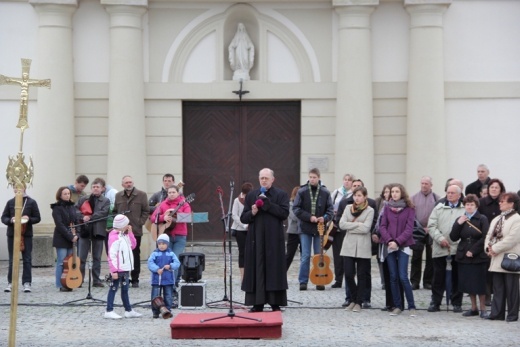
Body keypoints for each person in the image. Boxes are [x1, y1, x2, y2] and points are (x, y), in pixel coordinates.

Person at [240, 168, 289, 312]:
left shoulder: (281, 194)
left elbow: (284, 213)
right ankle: (257, 303)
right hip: (256, 239)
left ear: (272, 179)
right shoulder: (252, 195)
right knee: (257, 268)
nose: (264, 180)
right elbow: (244, 217)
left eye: (266, 178)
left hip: (274, 239)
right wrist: (252, 212)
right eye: (261, 178)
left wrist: (268, 205)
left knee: (273, 269)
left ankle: (275, 302)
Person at [336, 179, 378, 308]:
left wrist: (352, 226)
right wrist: (358, 224)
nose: (357, 198)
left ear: (365, 197)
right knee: (348, 274)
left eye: (359, 195)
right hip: (348, 245)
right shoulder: (348, 208)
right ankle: (353, 299)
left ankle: (359, 301)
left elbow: (366, 228)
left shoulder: (369, 210)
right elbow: (342, 224)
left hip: (363, 245)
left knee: (361, 275)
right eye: (355, 195)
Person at [378, 184, 417, 316]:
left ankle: (411, 306)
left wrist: (397, 241)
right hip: (389, 245)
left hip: (403, 245)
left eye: (397, 191)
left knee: (403, 276)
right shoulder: (387, 207)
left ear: (402, 193)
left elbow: (409, 228)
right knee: (393, 277)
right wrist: (389, 241)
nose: (394, 194)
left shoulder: (409, 208)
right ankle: (398, 305)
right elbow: (382, 226)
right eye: (392, 192)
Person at [293, 168, 334, 291]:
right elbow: (296, 209)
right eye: (310, 177)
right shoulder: (302, 191)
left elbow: (330, 211)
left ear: (319, 178)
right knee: (305, 255)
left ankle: (319, 280)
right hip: (305, 228)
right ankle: (303, 281)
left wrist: (325, 218)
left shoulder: (325, 192)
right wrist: (309, 217)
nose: (312, 179)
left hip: (319, 229)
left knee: (319, 255)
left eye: (314, 177)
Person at [449, 194, 490, 318]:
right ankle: (473, 308)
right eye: (467, 204)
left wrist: (474, 250)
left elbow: (485, 236)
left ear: (476, 206)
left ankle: (483, 308)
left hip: (478, 255)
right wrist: (458, 224)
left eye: (472, 204)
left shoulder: (482, 218)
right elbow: (453, 237)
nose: (469, 207)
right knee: (468, 282)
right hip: (463, 254)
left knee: (480, 283)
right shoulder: (461, 218)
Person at [427, 184, 465, 313]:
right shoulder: (439, 208)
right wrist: (440, 239)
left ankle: (456, 302)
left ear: (459, 195)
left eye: (452, 193)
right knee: (438, 276)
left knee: (457, 276)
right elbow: (431, 225)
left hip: (458, 247)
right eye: (448, 192)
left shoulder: (464, 209)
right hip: (440, 246)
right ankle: (435, 302)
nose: (449, 195)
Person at [484, 192, 520, 322]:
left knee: (512, 289)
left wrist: (495, 248)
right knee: (498, 289)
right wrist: (488, 248)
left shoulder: (517, 219)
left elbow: (512, 239)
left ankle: (512, 314)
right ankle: (496, 313)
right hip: (496, 258)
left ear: (511, 204)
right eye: (500, 201)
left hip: (510, 258)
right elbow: (489, 235)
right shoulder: (497, 218)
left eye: (503, 201)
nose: (500, 203)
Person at [113, 175, 150, 288]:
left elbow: (146, 211)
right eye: (126, 182)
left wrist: (140, 222)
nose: (129, 184)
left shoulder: (141, 195)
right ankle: (123, 277)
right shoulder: (118, 196)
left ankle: (135, 278)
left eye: (130, 182)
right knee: (121, 254)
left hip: (135, 230)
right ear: (122, 184)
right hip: (121, 231)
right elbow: (115, 211)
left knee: (135, 254)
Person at [2, 189, 41, 293]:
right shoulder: (10, 202)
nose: (17, 190)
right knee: (12, 260)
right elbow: (3, 217)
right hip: (12, 234)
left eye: (20, 188)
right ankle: (11, 282)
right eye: (16, 188)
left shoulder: (31, 202)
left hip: (26, 234)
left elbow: (37, 218)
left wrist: (28, 218)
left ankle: (27, 283)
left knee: (27, 259)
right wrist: (10, 220)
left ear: (24, 188)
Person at [104, 214, 142, 319]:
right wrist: (114, 270)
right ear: (121, 225)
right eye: (126, 224)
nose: (128, 226)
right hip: (118, 269)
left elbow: (133, 245)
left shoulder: (124, 235)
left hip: (125, 268)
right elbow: (111, 255)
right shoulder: (114, 237)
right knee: (113, 288)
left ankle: (128, 310)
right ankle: (109, 310)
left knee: (125, 289)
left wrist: (130, 233)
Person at [75, 178, 110, 287]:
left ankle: (96, 280)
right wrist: (82, 217)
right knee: (81, 257)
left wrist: (90, 217)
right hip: (84, 231)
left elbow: (103, 213)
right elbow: (75, 210)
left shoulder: (106, 201)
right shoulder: (83, 199)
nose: (95, 189)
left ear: (102, 189)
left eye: (97, 187)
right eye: (94, 187)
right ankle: (79, 279)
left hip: (98, 231)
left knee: (97, 257)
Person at [478, 178, 506, 306]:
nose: (494, 189)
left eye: (496, 187)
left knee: (500, 269)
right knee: (486, 270)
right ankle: (487, 296)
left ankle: (499, 297)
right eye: (492, 187)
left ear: (501, 190)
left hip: (502, 240)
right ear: (488, 190)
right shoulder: (481, 202)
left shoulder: (505, 203)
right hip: (486, 240)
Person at [410, 176, 440, 290]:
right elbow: (411, 215)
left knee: (430, 257)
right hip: (417, 231)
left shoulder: (437, 198)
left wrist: (429, 227)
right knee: (416, 257)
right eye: (422, 183)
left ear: (431, 185)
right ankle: (414, 281)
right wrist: (420, 227)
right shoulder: (413, 198)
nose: (424, 185)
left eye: (426, 183)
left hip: (432, 231)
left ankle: (428, 281)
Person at [51, 187, 79, 292]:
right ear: (60, 195)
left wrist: (77, 234)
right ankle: (60, 283)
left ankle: (69, 282)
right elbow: (60, 225)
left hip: (72, 237)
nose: (67, 195)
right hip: (61, 238)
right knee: (61, 262)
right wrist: (71, 237)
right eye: (65, 194)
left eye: (68, 193)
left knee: (70, 262)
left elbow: (76, 221)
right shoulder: (57, 208)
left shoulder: (72, 207)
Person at [330, 173, 355, 288]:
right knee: (337, 254)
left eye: (349, 180)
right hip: (337, 227)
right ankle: (338, 279)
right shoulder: (336, 193)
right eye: (345, 179)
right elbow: (329, 206)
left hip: (348, 227)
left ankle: (350, 278)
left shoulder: (354, 194)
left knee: (349, 254)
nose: (346, 182)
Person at [147, 234, 180, 318]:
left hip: (168, 279)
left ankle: (167, 310)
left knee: (168, 296)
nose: (161, 246)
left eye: (163, 244)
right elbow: (150, 263)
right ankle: (155, 311)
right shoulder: (155, 253)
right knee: (155, 296)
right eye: (159, 244)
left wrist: (170, 266)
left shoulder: (171, 254)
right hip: (156, 279)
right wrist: (157, 269)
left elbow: (177, 263)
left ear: (167, 244)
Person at [231, 182, 253, 280]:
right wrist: (244, 225)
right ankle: (243, 276)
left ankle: (251, 274)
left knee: (252, 251)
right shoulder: (237, 200)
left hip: (251, 229)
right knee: (242, 252)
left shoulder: (253, 199)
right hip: (240, 229)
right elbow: (234, 215)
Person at [286, 186, 301, 271]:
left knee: (305, 256)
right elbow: (294, 216)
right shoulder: (290, 204)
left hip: (303, 231)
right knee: (289, 255)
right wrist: (305, 217)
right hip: (293, 232)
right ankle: (282, 272)